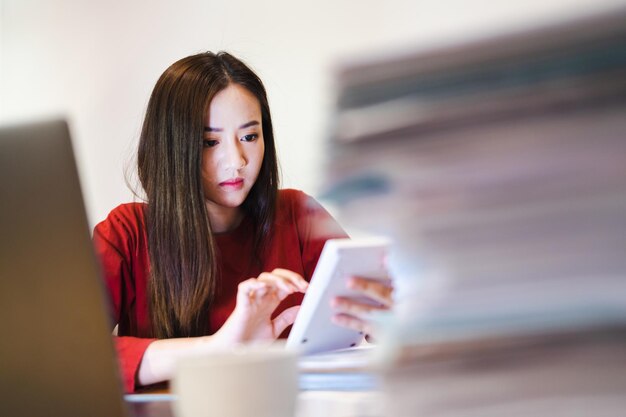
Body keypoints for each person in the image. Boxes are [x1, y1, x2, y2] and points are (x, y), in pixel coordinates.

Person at [93, 51, 393, 393]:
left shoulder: (296, 214)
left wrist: (388, 321)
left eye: (249, 136)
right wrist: (218, 348)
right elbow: (69, 355)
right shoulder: (126, 233)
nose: (236, 161)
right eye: (210, 142)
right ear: (172, 146)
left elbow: (367, 317)